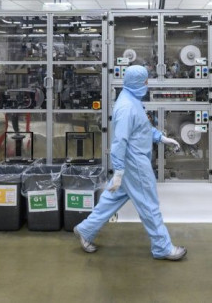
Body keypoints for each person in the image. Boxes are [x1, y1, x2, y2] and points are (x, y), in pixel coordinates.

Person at [74, 65, 187, 261]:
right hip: (134, 164)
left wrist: (161, 138)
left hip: (130, 163)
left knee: (112, 200)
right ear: (136, 82)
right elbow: (120, 141)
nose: (147, 84)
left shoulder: (132, 100)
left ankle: (86, 229)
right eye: (145, 81)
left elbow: (141, 129)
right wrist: (118, 171)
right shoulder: (126, 107)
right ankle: (163, 247)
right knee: (149, 205)